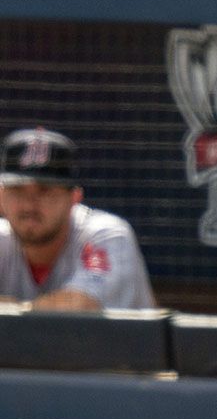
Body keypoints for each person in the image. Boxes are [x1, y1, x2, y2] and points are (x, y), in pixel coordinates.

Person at [0, 127, 156, 311]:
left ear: (74, 197)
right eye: (17, 190)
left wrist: (14, 310)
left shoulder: (107, 234)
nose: (29, 205)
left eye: (45, 190)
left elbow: (81, 305)